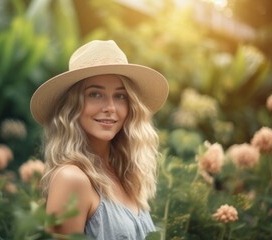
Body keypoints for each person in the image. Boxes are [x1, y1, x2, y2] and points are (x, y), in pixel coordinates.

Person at [30, 40, 169, 239]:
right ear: (72, 106)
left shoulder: (125, 176)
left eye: (120, 96)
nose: (110, 107)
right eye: (95, 94)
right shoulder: (71, 179)